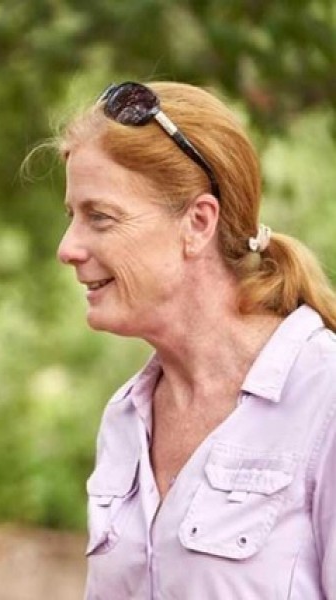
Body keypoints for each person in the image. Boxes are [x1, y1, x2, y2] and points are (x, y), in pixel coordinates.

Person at [55, 81, 336, 597]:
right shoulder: (126, 417)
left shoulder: (324, 399)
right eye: (72, 217)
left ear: (198, 223)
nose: (68, 247)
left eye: (100, 217)